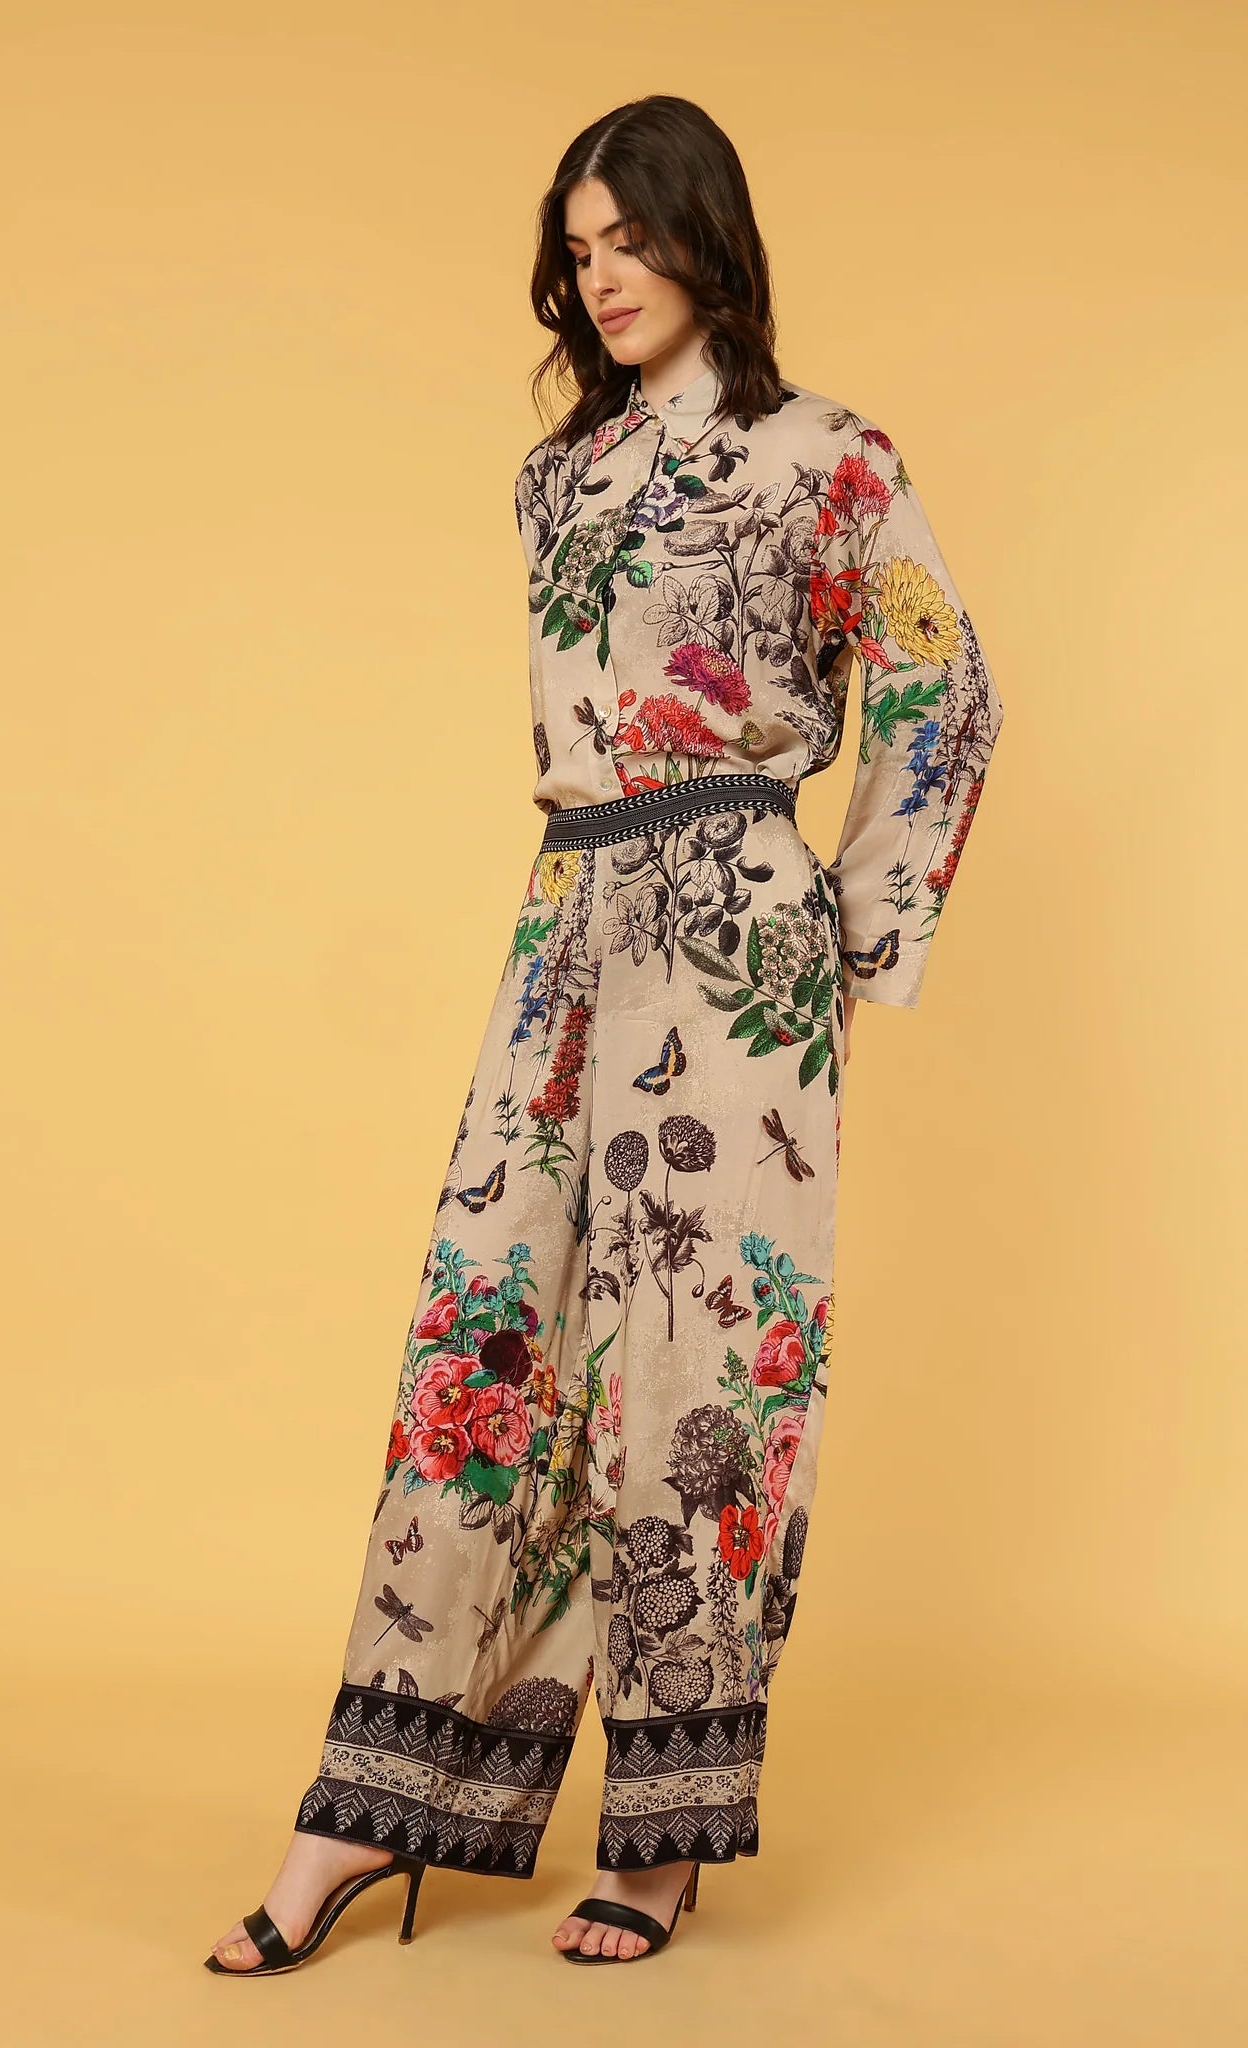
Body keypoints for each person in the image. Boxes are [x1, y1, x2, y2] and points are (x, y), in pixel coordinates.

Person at [206, 91, 1005, 1975]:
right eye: (575, 250)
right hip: (567, 923)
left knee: (701, 1374)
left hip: (734, 929)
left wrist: (846, 937)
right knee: (491, 1337)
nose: (600, 274)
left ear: (700, 235)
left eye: (625, 237)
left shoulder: (825, 458)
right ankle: (366, 1813)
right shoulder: (552, 479)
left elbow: (944, 687)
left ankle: (660, 1838)